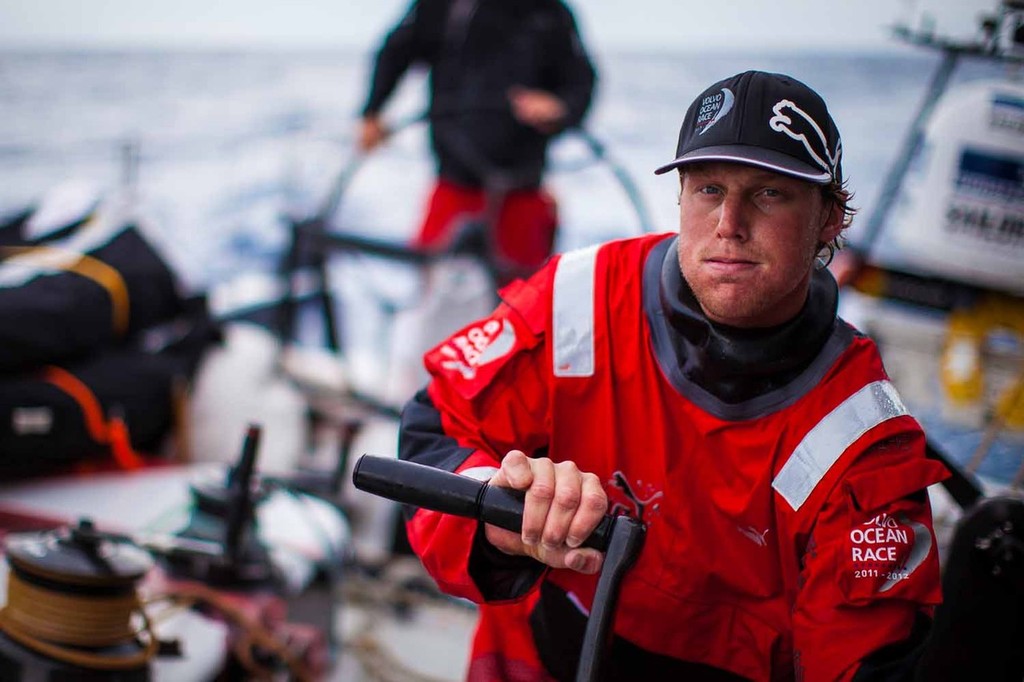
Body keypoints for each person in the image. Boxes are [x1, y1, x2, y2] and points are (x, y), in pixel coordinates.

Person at [396, 70, 950, 681]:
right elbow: (434, 429)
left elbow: (866, 660)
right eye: (709, 188)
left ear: (830, 219)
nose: (729, 224)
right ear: (682, 197)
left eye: (769, 194)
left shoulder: (863, 443)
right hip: (536, 657)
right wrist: (504, 516)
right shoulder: (577, 301)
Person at [358, 0, 597, 282]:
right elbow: (396, 52)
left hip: (523, 194)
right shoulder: (441, 7)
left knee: (524, 305)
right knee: (434, 292)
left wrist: (559, 107)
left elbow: (581, 80)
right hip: (452, 186)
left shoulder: (550, 11)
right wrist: (373, 111)